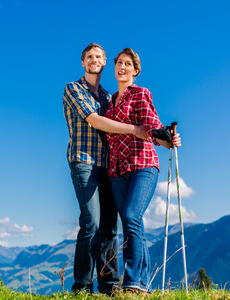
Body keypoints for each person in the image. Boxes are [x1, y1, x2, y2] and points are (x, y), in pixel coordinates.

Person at [63, 43, 150, 294]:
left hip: (110, 165)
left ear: (103, 63)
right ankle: (82, 285)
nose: (94, 60)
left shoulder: (108, 97)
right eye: (89, 57)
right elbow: (96, 121)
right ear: (83, 62)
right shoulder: (73, 88)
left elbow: (142, 121)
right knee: (91, 221)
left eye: (98, 57)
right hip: (84, 162)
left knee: (110, 227)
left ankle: (109, 284)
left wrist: (163, 137)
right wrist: (135, 130)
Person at [105, 48, 181, 294]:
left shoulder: (140, 94)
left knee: (131, 216)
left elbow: (152, 124)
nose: (121, 67)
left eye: (127, 64)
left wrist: (166, 138)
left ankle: (134, 282)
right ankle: (142, 285)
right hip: (116, 170)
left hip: (143, 164)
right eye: (118, 63)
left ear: (135, 70)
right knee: (130, 223)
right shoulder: (108, 105)